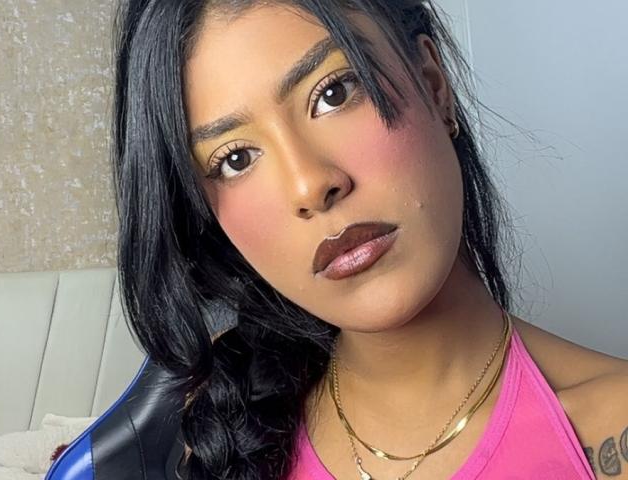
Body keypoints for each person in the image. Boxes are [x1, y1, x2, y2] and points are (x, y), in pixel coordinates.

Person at [110, 0, 628, 478]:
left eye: (333, 93)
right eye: (235, 159)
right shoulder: (232, 439)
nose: (309, 185)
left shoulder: (610, 432)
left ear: (434, 84)